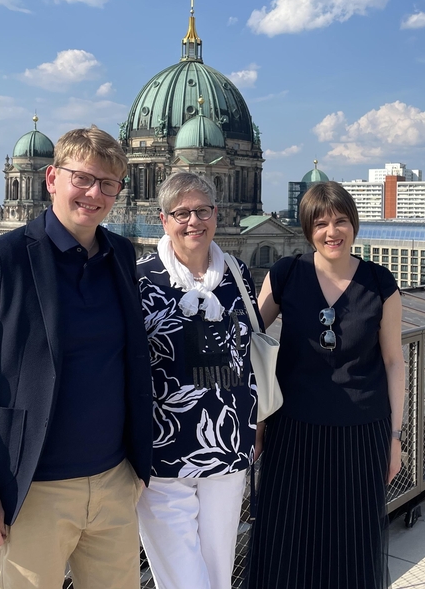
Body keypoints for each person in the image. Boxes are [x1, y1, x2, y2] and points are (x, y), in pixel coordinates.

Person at [0, 126, 152, 589]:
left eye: (108, 184)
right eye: (83, 179)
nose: (94, 194)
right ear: (51, 179)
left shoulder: (122, 255)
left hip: (114, 485)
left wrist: (135, 475)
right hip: (31, 492)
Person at [247, 181, 405, 589]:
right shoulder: (286, 273)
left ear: (353, 224)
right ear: (307, 230)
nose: (331, 231)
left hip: (361, 430)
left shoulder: (380, 283)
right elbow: (249, 341)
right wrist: (257, 422)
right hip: (293, 430)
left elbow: (393, 361)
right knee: (286, 540)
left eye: (340, 221)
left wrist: (394, 437)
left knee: (353, 543)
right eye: (320, 223)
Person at [135, 172, 258, 589]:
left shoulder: (239, 274)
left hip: (226, 448)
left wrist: (255, 424)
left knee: (218, 571)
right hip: (161, 453)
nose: (193, 221)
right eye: (181, 213)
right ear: (163, 219)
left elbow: (250, 355)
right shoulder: (138, 278)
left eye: (202, 211)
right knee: (183, 578)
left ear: (217, 214)